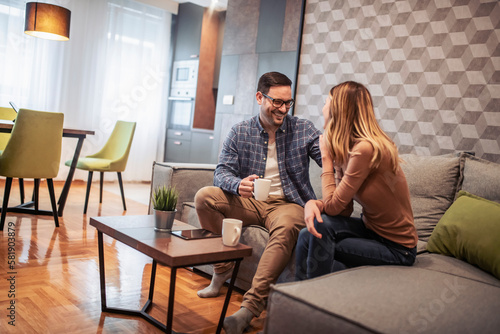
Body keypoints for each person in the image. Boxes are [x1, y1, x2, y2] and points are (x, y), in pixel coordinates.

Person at [194, 71, 322, 333]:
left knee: (287, 228)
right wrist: (237, 184)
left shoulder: (304, 129)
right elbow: (221, 173)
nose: (284, 109)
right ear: (259, 97)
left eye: (288, 102)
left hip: (289, 205)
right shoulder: (240, 132)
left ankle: (248, 309)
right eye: (277, 102)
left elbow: (328, 159)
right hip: (250, 201)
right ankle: (222, 269)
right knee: (204, 197)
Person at [295, 81, 418, 281]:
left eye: (327, 102)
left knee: (319, 235)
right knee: (310, 232)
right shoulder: (350, 148)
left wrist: (327, 158)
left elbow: (334, 209)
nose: (323, 107)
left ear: (338, 110)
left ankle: (312, 298)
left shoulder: (365, 149)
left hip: (397, 248)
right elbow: (343, 210)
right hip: (370, 230)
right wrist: (314, 203)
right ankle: (296, 297)